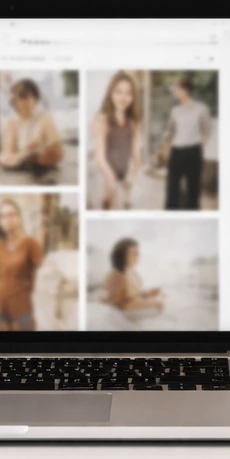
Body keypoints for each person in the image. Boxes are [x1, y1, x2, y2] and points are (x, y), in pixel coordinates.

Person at [0, 199, 44, 331]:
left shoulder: (31, 244)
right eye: (3, 216)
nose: (8, 219)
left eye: (12, 214)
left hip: (21, 307)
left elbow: (41, 272)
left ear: (19, 217)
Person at [92, 71, 143, 210]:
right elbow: (99, 158)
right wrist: (111, 180)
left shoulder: (134, 121)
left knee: (126, 205)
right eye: (119, 92)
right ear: (110, 93)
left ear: (133, 96)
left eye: (128, 93)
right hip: (106, 173)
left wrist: (134, 173)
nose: (123, 97)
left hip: (125, 172)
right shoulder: (102, 119)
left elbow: (136, 153)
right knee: (110, 204)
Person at [0, 79, 63, 179]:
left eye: (28, 97)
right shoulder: (12, 122)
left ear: (35, 98)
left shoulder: (44, 118)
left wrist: (25, 155)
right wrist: (20, 156)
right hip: (19, 173)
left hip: (45, 171)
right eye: (20, 98)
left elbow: (57, 153)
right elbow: (8, 153)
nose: (25, 103)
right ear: (15, 102)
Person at [162, 76, 212, 210]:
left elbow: (207, 129)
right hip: (176, 152)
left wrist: (199, 143)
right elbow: (170, 132)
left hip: (193, 152)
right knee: (172, 188)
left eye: (176, 88)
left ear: (185, 90)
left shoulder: (201, 108)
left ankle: (192, 213)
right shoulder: (175, 110)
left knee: (193, 189)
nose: (174, 91)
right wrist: (165, 150)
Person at [102, 238, 164, 313]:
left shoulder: (132, 273)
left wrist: (146, 293)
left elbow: (130, 295)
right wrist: (154, 303)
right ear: (122, 255)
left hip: (131, 312)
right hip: (119, 316)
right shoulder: (116, 274)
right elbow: (122, 305)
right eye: (134, 253)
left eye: (137, 253)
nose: (137, 256)